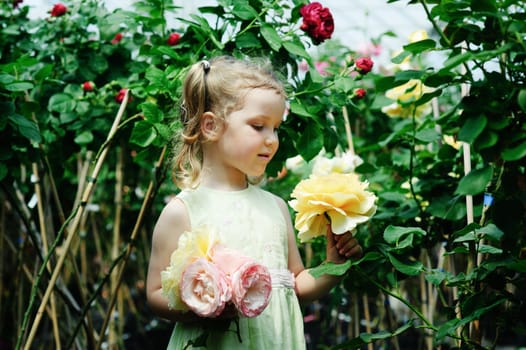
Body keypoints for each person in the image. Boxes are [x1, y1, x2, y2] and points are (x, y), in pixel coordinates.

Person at [146, 55, 363, 349]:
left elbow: (295, 285)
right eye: (258, 126)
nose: (272, 139)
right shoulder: (183, 211)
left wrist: (332, 266)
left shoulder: (276, 207)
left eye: (275, 128)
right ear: (211, 126)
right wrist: (204, 308)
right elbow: (156, 293)